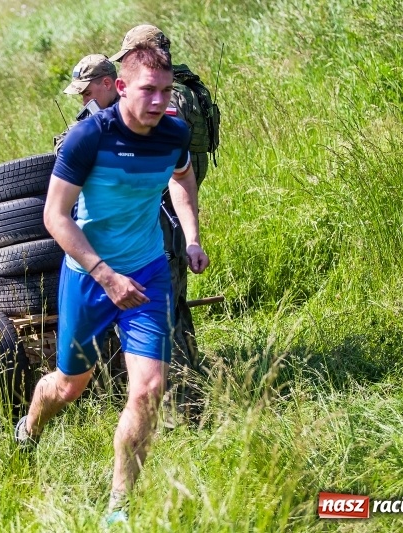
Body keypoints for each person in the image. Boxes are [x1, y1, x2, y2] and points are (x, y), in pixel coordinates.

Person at [17, 44, 209, 524]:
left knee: (148, 390)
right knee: (68, 387)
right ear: (120, 88)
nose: (158, 101)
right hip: (89, 278)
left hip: (147, 273)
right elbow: (55, 217)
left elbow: (182, 178)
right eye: (148, 90)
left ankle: (118, 508)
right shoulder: (89, 138)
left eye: (166, 91)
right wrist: (105, 275)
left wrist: (190, 237)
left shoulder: (174, 134)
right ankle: (29, 428)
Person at [111, 24, 220, 424]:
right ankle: (195, 388)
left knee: (159, 315)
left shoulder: (165, 96)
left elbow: (156, 156)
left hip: (160, 221)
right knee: (175, 307)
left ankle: (179, 410)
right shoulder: (187, 87)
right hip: (173, 215)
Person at [53, 54, 119, 154]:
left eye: (88, 93)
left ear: (107, 84)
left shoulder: (135, 109)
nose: (84, 102)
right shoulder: (93, 115)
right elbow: (62, 141)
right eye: (82, 95)